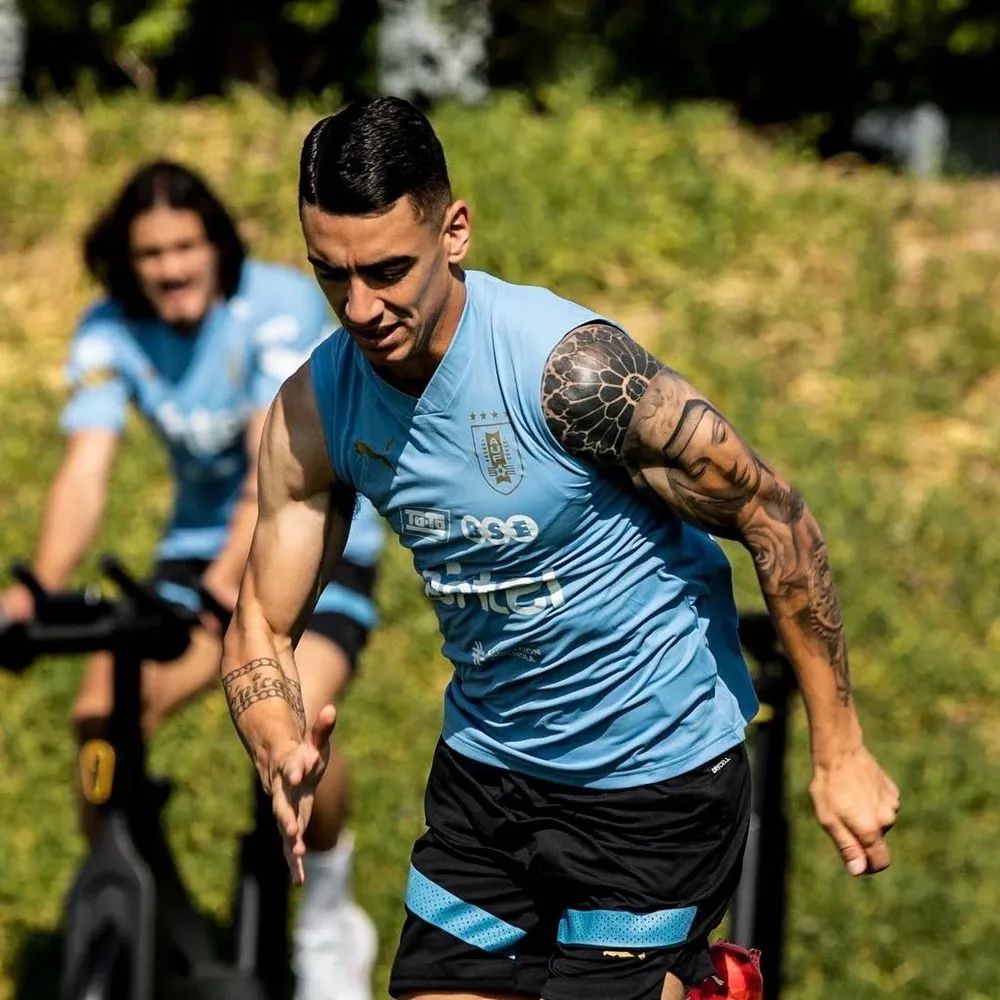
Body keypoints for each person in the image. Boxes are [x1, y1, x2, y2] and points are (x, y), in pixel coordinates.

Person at [220, 97, 901, 1000]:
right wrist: (275, 737)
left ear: (453, 231)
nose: (361, 308)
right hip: (489, 774)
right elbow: (261, 620)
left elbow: (774, 517)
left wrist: (840, 747)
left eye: (388, 271)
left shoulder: (573, 376)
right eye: (330, 274)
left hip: (655, 778)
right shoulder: (317, 408)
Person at [0, 160, 383, 1000]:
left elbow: (269, 469)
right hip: (194, 552)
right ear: (126, 262)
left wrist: (225, 604)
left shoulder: (274, 309)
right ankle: (150, 927)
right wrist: (35, 593)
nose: (171, 268)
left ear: (217, 245)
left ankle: (327, 912)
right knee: (103, 720)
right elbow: (84, 471)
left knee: (293, 729)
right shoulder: (109, 331)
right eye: (151, 254)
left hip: (312, 531)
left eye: (185, 246)